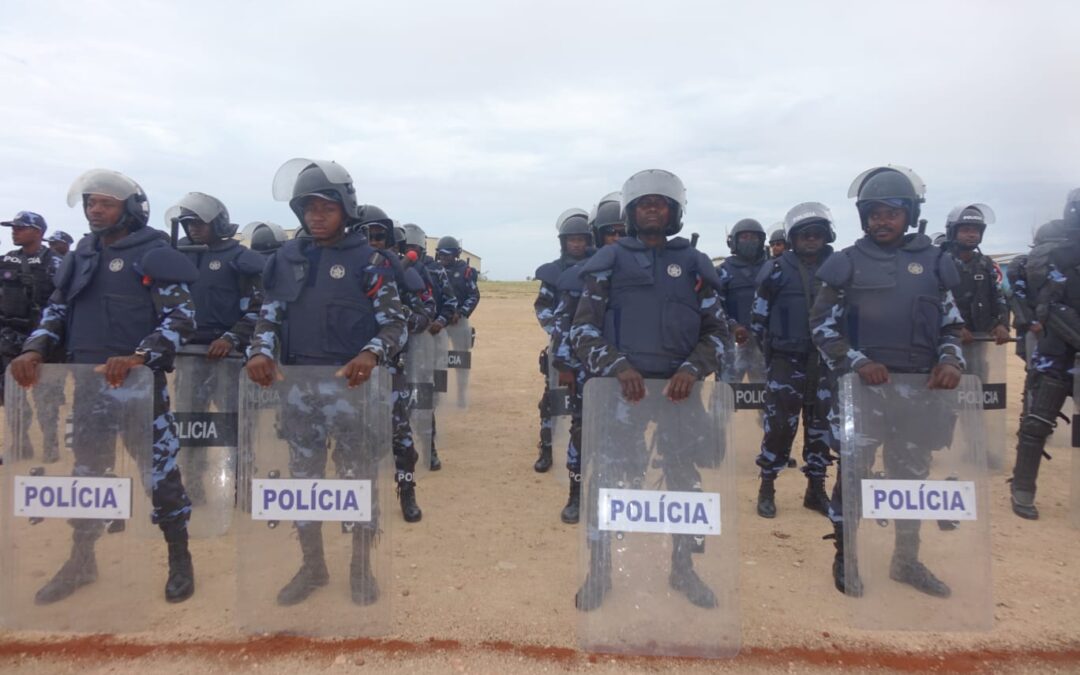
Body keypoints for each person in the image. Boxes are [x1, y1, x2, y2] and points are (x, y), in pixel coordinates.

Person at [11, 169, 199, 604]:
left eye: (106, 203)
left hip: (138, 387)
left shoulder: (153, 253)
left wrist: (139, 355)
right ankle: (81, 560)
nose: (95, 209)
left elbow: (181, 319)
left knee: (161, 476)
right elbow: (57, 310)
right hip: (87, 385)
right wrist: (35, 348)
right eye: (91, 202)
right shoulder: (82, 253)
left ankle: (179, 560)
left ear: (129, 209)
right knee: (87, 477)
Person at [246, 159, 406, 606]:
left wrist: (372, 352)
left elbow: (396, 323)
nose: (316, 215)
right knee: (304, 484)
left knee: (357, 482)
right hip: (298, 391)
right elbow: (269, 317)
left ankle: (360, 565)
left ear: (345, 208)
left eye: (325, 207)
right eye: (308, 208)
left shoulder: (370, 261)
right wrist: (259, 351)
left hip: (352, 392)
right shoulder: (286, 259)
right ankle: (312, 565)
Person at [570, 169, 729, 611]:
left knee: (685, 486)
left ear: (675, 212)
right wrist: (618, 367)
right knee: (609, 482)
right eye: (644, 204)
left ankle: (684, 570)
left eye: (661, 202)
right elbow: (582, 329)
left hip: (681, 397)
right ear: (631, 213)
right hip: (624, 396)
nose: (653, 208)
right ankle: (600, 570)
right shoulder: (610, 261)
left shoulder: (695, 265)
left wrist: (693, 369)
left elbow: (718, 333)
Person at [810, 165, 963, 598]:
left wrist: (951, 360)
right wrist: (858, 361)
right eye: (874, 213)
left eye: (892, 212)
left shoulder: (936, 263)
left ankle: (906, 559)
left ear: (909, 214)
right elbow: (821, 326)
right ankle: (846, 555)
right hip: (865, 394)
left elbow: (952, 326)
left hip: (922, 395)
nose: (882, 220)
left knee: (910, 479)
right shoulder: (846, 264)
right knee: (854, 476)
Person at [165, 193, 264, 504]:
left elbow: (260, 309)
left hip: (229, 358)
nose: (193, 229)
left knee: (237, 426)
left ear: (217, 222)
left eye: (199, 222)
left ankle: (242, 486)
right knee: (191, 427)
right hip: (189, 357)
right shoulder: (181, 257)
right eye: (188, 223)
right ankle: (193, 487)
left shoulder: (241, 259)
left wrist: (232, 338)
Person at [749, 202, 834, 519]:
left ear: (825, 237)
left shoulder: (837, 268)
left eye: (816, 235)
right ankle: (767, 486)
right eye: (804, 235)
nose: (811, 240)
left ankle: (815, 489)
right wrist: (775, 355)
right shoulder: (775, 269)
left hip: (825, 363)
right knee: (779, 427)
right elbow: (758, 320)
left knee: (820, 428)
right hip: (787, 361)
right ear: (793, 237)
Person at [549, 192, 623, 523]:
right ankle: (576, 494)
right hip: (587, 368)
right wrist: (564, 364)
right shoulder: (585, 272)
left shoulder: (643, 269)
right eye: (611, 233)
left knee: (628, 437)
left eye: (623, 232)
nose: (617, 239)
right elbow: (564, 324)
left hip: (632, 369)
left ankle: (618, 495)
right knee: (583, 431)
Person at [1011, 188, 1080, 520]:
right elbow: (1049, 306)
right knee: (1037, 424)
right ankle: (1023, 488)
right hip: (1056, 354)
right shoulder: (1055, 255)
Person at [361, 208, 433, 523]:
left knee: (399, 435)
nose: (371, 242)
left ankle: (407, 491)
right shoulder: (348, 269)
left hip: (388, 366)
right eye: (365, 236)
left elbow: (425, 310)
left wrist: (401, 317)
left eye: (378, 236)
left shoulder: (401, 272)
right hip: (347, 369)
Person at [532, 208, 593, 473]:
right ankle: (546, 448)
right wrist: (556, 329)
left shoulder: (598, 267)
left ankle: (586, 447)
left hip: (592, 346)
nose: (577, 244)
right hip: (561, 344)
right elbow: (542, 305)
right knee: (553, 400)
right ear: (564, 242)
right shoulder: (553, 272)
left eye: (581, 239)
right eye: (572, 240)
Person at [0, 211, 63, 461]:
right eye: (13, 227)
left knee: (47, 397)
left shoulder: (55, 263)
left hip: (43, 339)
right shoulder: (6, 261)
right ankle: (20, 443)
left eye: (20, 227)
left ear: (38, 232)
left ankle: (51, 446)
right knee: (11, 394)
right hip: (8, 337)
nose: (14, 231)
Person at [941, 204, 1010, 345]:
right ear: (953, 232)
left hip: (982, 340)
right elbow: (935, 301)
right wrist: (955, 327)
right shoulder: (940, 262)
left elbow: (998, 296)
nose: (972, 234)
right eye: (966, 230)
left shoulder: (985, 263)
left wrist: (1002, 324)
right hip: (947, 342)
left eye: (976, 230)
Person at [717, 218, 768, 383]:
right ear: (734, 242)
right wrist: (733, 326)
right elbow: (716, 306)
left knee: (766, 397)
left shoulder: (772, 269)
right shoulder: (722, 271)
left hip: (764, 344)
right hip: (732, 342)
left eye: (754, 238)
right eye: (744, 237)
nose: (749, 241)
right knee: (724, 396)